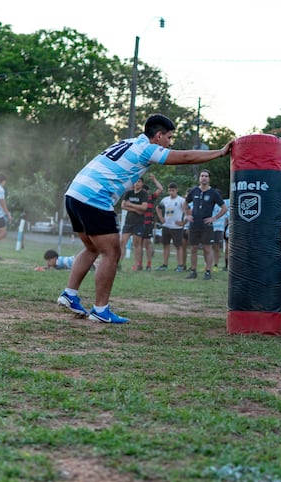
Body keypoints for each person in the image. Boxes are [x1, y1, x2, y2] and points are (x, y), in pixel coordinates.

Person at [56, 113, 232, 324]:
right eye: (169, 138)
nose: (169, 143)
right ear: (158, 136)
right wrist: (221, 152)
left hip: (74, 194)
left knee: (93, 248)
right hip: (94, 197)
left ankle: (70, 294)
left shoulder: (129, 142)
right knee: (111, 253)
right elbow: (185, 158)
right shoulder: (147, 149)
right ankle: (100, 310)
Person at [184, 170, 228, 280]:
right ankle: (193, 271)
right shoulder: (194, 191)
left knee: (207, 249)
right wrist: (187, 215)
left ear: (209, 179)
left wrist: (214, 218)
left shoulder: (213, 193)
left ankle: (208, 271)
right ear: (199, 178)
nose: (204, 178)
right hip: (194, 224)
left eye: (206, 176)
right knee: (193, 248)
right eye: (202, 176)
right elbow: (185, 203)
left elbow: (224, 208)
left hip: (206, 225)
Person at [119, 177, 149, 271]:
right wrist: (136, 208)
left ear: (142, 183)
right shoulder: (129, 193)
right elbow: (123, 205)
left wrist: (130, 204)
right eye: (136, 182)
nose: (137, 184)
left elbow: (144, 208)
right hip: (128, 222)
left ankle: (137, 265)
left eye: (139, 182)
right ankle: (118, 263)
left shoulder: (144, 194)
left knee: (137, 244)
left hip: (139, 222)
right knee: (122, 242)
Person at [156, 182, 187, 271]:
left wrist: (183, 222)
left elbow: (187, 212)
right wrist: (161, 218)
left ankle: (180, 265)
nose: (171, 192)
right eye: (169, 190)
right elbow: (158, 208)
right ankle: (164, 265)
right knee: (165, 245)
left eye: (173, 190)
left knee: (178, 246)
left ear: (177, 190)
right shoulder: (165, 200)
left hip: (176, 227)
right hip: (166, 226)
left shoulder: (181, 200)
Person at [140, 175, 164, 271]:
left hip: (148, 223)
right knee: (139, 244)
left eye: (145, 191)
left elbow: (160, 189)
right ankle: (139, 264)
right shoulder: (138, 198)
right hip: (139, 223)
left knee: (147, 243)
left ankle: (148, 264)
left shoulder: (151, 198)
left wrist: (154, 179)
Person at [211, 198, 230, 271]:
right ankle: (207, 265)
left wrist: (224, 229)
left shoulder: (224, 204)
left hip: (219, 228)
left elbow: (226, 219)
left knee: (217, 247)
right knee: (208, 247)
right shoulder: (209, 204)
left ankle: (216, 265)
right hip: (209, 228)